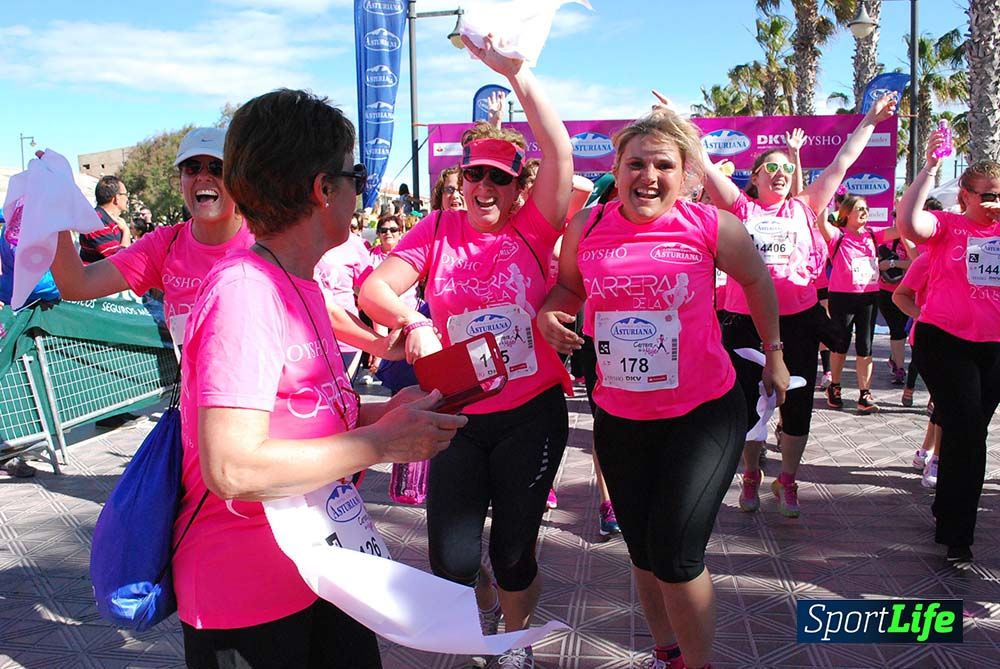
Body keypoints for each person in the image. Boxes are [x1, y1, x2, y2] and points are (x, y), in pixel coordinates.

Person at [175, 88, 467, 668]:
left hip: (324, 570)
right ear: (322, 189)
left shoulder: (301, 282)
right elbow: (232, 467)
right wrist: (380, 443)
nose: (360, 189)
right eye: (354, 173)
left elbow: (308, 413)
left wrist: (391, 413)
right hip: (248, 596)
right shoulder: (244, 294)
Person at [538, 107, 788, 669]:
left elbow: (756, 279)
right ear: (618, 170)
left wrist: (774, 352)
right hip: (621, 416)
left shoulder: (709, 224)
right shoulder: (589, 227)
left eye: (662, 165)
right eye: (635, 164)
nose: (647, 176)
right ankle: (667, 653)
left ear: (685, 174)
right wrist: (548, 318)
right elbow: (566, 291)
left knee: (676, 552)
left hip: (702, 412)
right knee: (645, 550)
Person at [359, 34, 573, 669]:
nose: (485, 187)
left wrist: (518, 76)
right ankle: (485, 609)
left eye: (499, 179)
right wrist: (413, 319)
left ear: (517, 188)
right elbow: (373, 288)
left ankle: (512, 642)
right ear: (461, 179)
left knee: (513, 551)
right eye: (475, 174)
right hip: (454, 418)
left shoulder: (534, 226)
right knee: (450, 560)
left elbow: (559, 152)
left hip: (529, 415)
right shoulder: (438, 229)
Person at [699, 94, 897, 518]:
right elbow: (703, 164)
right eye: (772, 167)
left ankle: (787, 478)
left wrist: (870, 120)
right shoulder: (740, 206)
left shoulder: (805, 207)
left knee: (798, 406)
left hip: (800, 324)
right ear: (754, 176)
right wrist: (676, 119)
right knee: (749, 406)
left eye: (788, 169)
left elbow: (841, 163)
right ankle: (751, 474)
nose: (782, 174)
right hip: (745, 324)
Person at [895, 129, 1000, 564]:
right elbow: (909, 223)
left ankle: (947, 511)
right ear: (966, 195)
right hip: (945, 344)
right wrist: (929, 168)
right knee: (968, 432)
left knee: (970, 430)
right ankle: (959, 534)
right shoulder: (948, 227)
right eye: (989, 195)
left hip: (993, 348)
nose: (995, 203)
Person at [50, 127, 253, 348]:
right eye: (192, 168)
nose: (203, 176)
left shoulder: (268, 240)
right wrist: (52, 207)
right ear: (180, 180)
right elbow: (76, 285)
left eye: (217, 168)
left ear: (237, 178)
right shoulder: (163, 246)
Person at [816, 194, 882, 412]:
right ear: (846, 214)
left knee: (866, 345)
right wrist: (826, 199)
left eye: (866, 208)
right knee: (840, 344)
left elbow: (903, 229)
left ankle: (865, 394)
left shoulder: (873, 235)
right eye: (859, 208)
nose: (864, 212)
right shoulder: (838, 236)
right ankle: (834, 386)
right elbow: (821, 223)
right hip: (842, 297)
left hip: (869, 297)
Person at [80, 175, 132, 263]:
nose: (127, 199)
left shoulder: (114, 221)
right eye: (126, 194)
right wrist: (126, 231)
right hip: (96, 276)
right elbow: (121, 260)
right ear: (116, 198)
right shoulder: (96, 221)